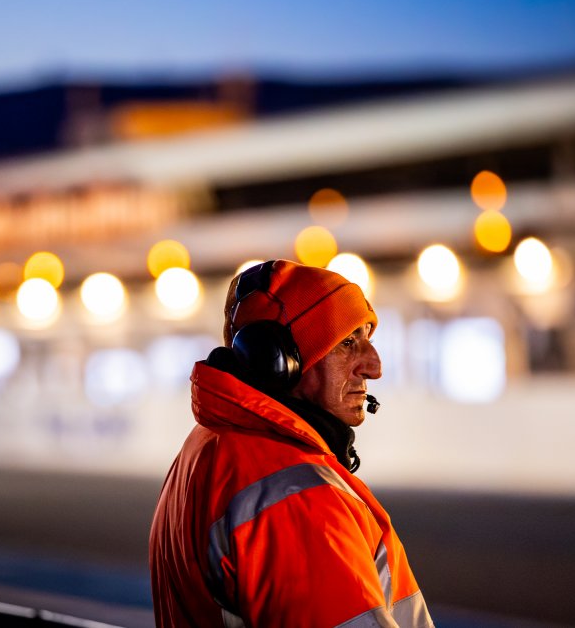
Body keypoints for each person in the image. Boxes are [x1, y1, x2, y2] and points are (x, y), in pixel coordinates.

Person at [149, 259, 434, 627]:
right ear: (278, 362)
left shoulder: (204, 448)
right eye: (347, 343)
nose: (373, 366)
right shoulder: (295, 496)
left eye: (368, 340)